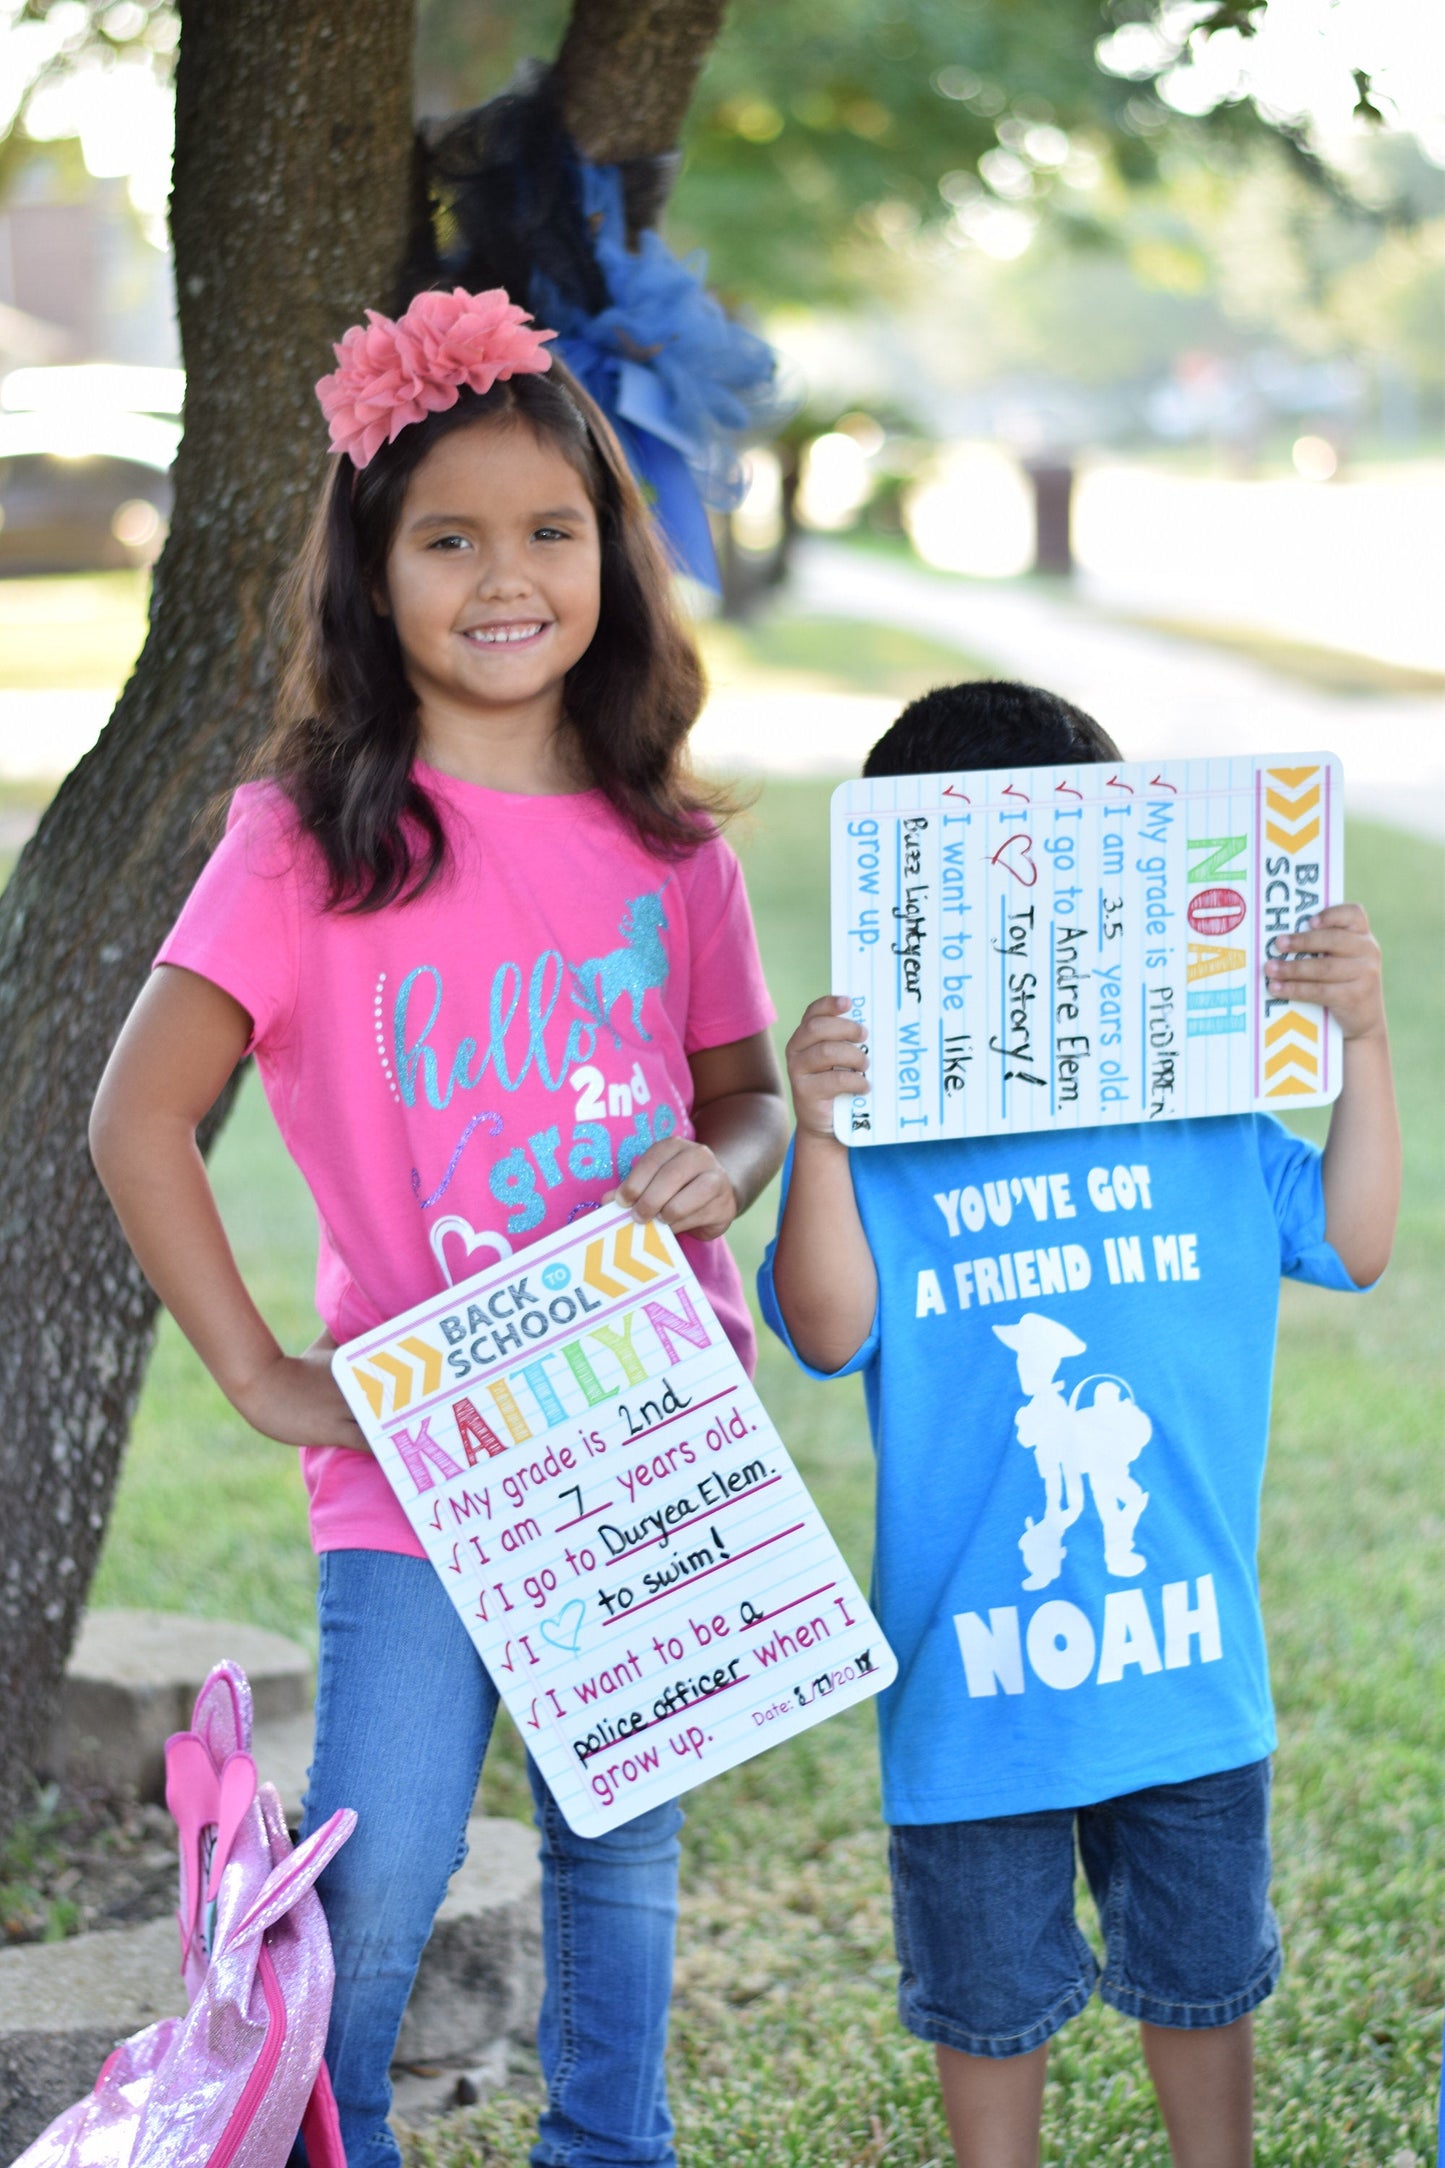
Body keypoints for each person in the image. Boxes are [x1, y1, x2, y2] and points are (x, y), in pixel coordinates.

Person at [90, 285, 789, 2168]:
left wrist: (732, 1156)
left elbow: (745, 1091)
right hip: (415, 1460)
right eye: (448, 537)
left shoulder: (670, 843)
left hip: (645, 1438)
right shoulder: (304, 839)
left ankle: (607, 2149)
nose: (506, 575)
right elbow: (137, 1111)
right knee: (374, 1879)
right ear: (373, 577)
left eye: (550, 531)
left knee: (619, 1848)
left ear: (609, 559)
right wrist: (257, 1372)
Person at [759, 680, 1400, 2168]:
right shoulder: (897, 1156)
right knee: (989, 2026)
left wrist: (1361, 1039)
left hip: (1183, 1684)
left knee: (1199, 2003)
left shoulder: (1205, 1113)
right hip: (971, 1707)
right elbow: (828, 1327)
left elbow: (1356, 1240)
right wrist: (823, 1133)